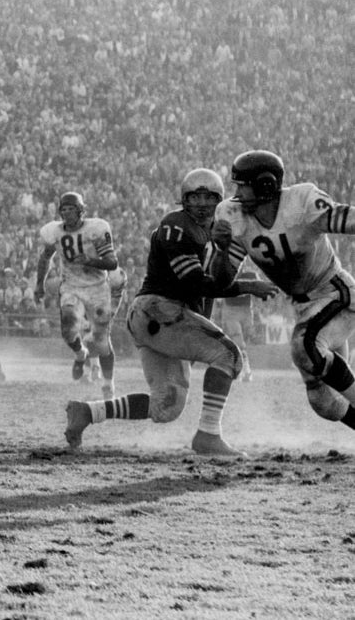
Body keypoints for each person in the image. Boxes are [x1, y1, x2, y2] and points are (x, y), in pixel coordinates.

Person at [65, 168, 278, 457]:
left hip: (160, 317)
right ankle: (208, 435)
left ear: (219, 200)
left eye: (209, 196)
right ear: (184, 199)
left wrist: (226, 251)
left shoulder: (209, 231)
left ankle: (87, 412)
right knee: (228, 355)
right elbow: (194, 282)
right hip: (159, 310)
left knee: (166, 405)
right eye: (196, 196)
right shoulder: (176, 226)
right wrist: (247, 287)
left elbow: (213, 280)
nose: (202, 203)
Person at [212, 149, 355, 434]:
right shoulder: (235, 218)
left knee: (304, 347)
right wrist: (222, 248)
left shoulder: (301, 202)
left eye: (243, 184)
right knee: (321, 400)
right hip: (304, 307)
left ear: (265, 184)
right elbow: (222, 280)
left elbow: (347, 219)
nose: (237, 191)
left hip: (334, 293)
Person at [34, 191, 121, 398]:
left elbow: (112, 262)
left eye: (71, 209)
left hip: (97, 287)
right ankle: (80, 353)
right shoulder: (54, 232)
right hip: (71, 286)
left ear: (81, 211)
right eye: (63, 209)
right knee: (68, 327)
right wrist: (39, 284)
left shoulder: (96, 229)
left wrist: (90, 261)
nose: (66, 213)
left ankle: (108, 383)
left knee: (101, 341)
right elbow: (45, 258)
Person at [213, 266, 262, 382]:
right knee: (239, 342)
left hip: (246, 311)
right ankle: (244, 370)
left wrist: (258, 307)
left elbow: (260, 290)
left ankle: (244, 368)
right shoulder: (225, 275)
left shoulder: (251, 275)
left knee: (244, 342)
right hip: (231, 310)